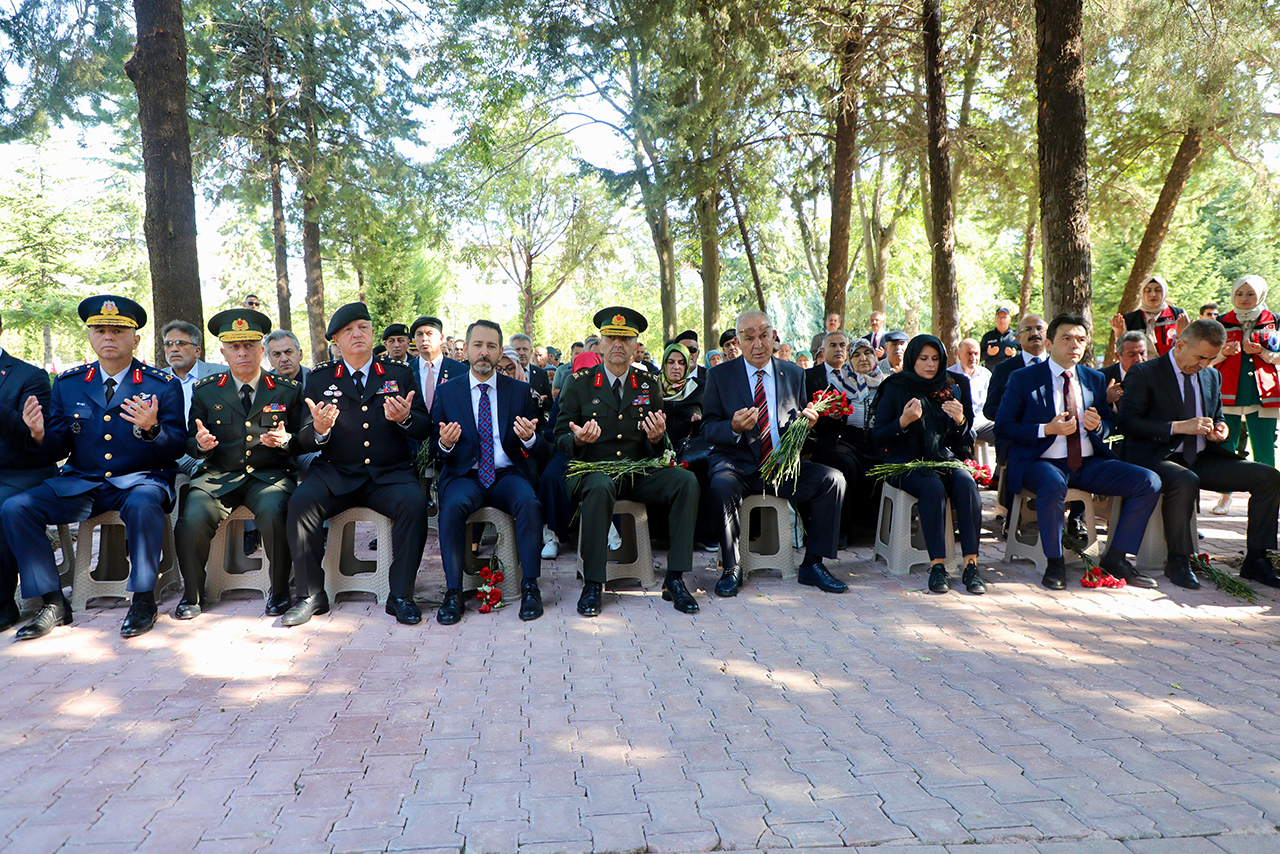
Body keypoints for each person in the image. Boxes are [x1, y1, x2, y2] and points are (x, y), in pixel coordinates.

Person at [5, 295, 186, 640]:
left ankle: (143, 599)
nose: (108, 337)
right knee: (16, 508)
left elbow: (178, 445)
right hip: (84, 482)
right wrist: (39, 434)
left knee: (144, 504)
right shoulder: (70, 382)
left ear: (135, 339)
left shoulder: (161, 385)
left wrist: (153, 428)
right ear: (90, 336)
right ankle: (54, 602)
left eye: (118, 331)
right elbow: (59, 445)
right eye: (100, 330)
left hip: (140, 480)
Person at [283, 302, 432, 626]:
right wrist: (319, 429)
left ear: (372, 333)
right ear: (336, 340)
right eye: (348, 330)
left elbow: (424, 427)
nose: (357, 334)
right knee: (301, 503)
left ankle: (401, 595)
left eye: (363, 327)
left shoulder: (398, 374)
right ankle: (310, 595)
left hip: (389, 474)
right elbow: (303, 439)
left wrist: (406, 418)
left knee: (414, 504)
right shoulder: (321, 378)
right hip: (336, 472)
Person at [995, 314, 1161, 590]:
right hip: (1040, 462)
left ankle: (1117, 558)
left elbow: (1108, 423)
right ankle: (1054, 561)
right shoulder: (1023, 378)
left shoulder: (1094, 378)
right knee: (1053, 483)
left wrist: (1099, 427)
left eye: (1081, 339)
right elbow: (1003, 427)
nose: (1075, 345)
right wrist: (1046, 429)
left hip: (1086, 463)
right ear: (1049, 344)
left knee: (1148, 481)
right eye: (1067, 338)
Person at [554, 306, 700, 616]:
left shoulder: (648, 384)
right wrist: (579, 440)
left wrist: (657, 438)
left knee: (685, 481)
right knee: (600, 486)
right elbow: (559, 436)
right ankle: (594, 582)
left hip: (636, 472)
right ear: (601, 344)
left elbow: (654, 447)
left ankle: (675, 578)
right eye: (612, 338)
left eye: (626, 339)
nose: (618, 345)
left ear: (635, 346)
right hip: (592, 472)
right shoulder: (578, 383)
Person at [1118, 318, 1280, 590]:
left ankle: (1256, 560)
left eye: (1211, 358)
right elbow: (1127, 423)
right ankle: (1178, 561)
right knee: (1185, 479)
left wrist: (1220, 429)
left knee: (1269, 477)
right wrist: (1177, 427)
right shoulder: (1145, 372)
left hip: (1202, 456)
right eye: (1200, 357)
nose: (1204, 364)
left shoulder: (1211, 376)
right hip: (1156, 457)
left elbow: (1217, 416)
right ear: (1180, 345)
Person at [702, 309, 847, 597]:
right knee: (720, 485)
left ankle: (813, 564)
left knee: (833, 480)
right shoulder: (719, 376)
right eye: (749, 338)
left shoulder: (793, 373)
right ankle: (731, 567)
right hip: (737, 466)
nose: (758, 344)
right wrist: (732, 426)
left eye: (764, 336)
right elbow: (707, 428)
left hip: (782, 466)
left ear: (774, 336)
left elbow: (803, 432)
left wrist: (808, 425)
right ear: (739, 342)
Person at [174, 309, 304, 619]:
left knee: (276, 513)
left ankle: (279, 591)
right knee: (191, 519)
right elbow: (190, 440)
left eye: (249, 346)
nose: (242, 353)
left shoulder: (287, 389)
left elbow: (302, 440)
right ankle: (192, 595)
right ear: (223, 353)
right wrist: (201, 446)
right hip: (218, 475)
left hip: (268, 476)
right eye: (234, 347)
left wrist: (285, 440)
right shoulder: (206, 390)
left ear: (261, 350)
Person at [433, 319, 549, 624]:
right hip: (465, 475)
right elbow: (433, 448)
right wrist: (445, 444)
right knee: (451, 508)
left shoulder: (520, 392)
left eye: (491, 346)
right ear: (467, 349)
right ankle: (454, 592)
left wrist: (530, 439)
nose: (484, 352)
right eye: (478, 345)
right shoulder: (448, 392)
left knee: (528, 502)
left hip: (507, 474)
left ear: (499, 352)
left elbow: (543, 446)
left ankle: (530, 586)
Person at [872, 335, 984, 593]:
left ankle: (971, 565)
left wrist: (960, 421)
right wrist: (903, 421)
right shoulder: (896, 386)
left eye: (935, 359)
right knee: (933, 488)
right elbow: (877, 437)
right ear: (912, 359)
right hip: (904, 462)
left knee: (967, 484)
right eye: (923, 359)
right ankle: (937, 566)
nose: (930, 365)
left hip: (943, 458)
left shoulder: (954, 386)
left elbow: (964, 442)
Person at [0, 316, 58, 632]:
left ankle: (3, 603)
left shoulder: (29, 376)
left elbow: (36, 436)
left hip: (22, 471)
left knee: (3, 504)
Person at [1210, 276, 1280, 517]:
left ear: (1260, 295)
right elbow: (1208, 357)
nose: (1244, 299)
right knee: (1226, 446)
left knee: (1264, 446)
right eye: (1239, 294)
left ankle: (1268, 497)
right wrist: (1223, 353)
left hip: (1264, 393)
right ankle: (1225, 495)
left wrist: (1264, 353)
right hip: (1228, 392)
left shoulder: (1274, 321)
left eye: (1250, 294)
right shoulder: (1221, 322)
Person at [805, 332, 882, 541]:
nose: (863, 358)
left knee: (885, 462)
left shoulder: (886, 382)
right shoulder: (840, 382)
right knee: (842, 462)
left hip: (876, 440)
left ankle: (874, 527)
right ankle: (844, 528)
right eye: (857, 354)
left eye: (868, 353)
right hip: (844, 440)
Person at [161, 320, 227, 479]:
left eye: (181, 343)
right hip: (167, 449)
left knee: (207, 469)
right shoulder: (157, 379)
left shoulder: (221, 375)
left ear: (197, 351)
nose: (174, 348)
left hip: (207, 449)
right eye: (169, 344)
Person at [1111, 274, 1188, 357]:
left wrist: (1181, 335)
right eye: (1148, 291)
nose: (1153, 294)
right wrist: (1119, 334)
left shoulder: (1178, 315)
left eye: (1158, 290)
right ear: (1142, 293)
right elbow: (1123, 354)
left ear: (1165, 292)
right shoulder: (1130, 319)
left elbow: (1189, 347)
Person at [408, 316, 467, 417]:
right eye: (419, 334)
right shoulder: (406, 370)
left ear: (441, 338)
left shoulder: (461, 371)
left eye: (429, 334)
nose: (424, 339)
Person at [949, 338, 994, 444]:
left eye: (976, 353)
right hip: (960, 421)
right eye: (969, 354)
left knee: (1004, 432)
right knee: (966, 435)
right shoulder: (950, 375)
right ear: (959, 355)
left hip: (982, 421)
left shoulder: (986, 374)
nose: (973, 358)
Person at [660, 343, 704, 446]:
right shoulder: (653, 387)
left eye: (681, 363)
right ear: (665, 364)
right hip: (657, 452)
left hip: (690, 451)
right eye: (671, 362)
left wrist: (699, 425)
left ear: (687, 366)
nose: (676, 367)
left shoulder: (699, 388)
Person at [1100, 331, 1147, 416]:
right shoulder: (1101, 377)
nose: (1139, 359)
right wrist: (1107, 399)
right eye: (1132, 355)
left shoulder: (1156, 374)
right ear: (1118, 356)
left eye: (1142, 353)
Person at [509, 333, 553, 419]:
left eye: (525, 349)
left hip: (535, 423)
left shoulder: (541, 374)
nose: (522, 353)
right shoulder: (504, 373)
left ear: (531, 352)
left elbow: (549, 404)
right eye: (518, 349)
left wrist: (541, 401)